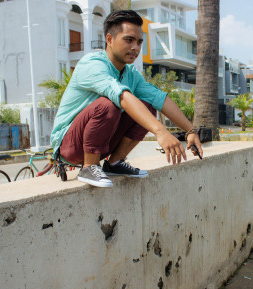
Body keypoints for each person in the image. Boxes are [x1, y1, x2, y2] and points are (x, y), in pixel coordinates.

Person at [50, 10, 202, 188]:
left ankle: (114, 163)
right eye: (129, 40)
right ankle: (89, 167)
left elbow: (159, 98)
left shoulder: (130, 74)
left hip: (101, 142)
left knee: (147, 106)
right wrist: (160, 131)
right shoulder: (92, 64)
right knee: (109, 104)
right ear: (109, 39)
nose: (135, 48)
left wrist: (190, 131)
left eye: (139, 42)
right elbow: (121, 96)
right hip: (70, 145)